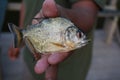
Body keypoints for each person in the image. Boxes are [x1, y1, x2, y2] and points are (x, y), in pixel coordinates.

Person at [8, 0, 107, 80]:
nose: (81, 37)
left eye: (79, 35)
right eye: (79, 35)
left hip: (69, 72)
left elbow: (87, 11)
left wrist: (67, 15)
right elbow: (25, 3)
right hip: (29, 59)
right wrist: (20, 36)